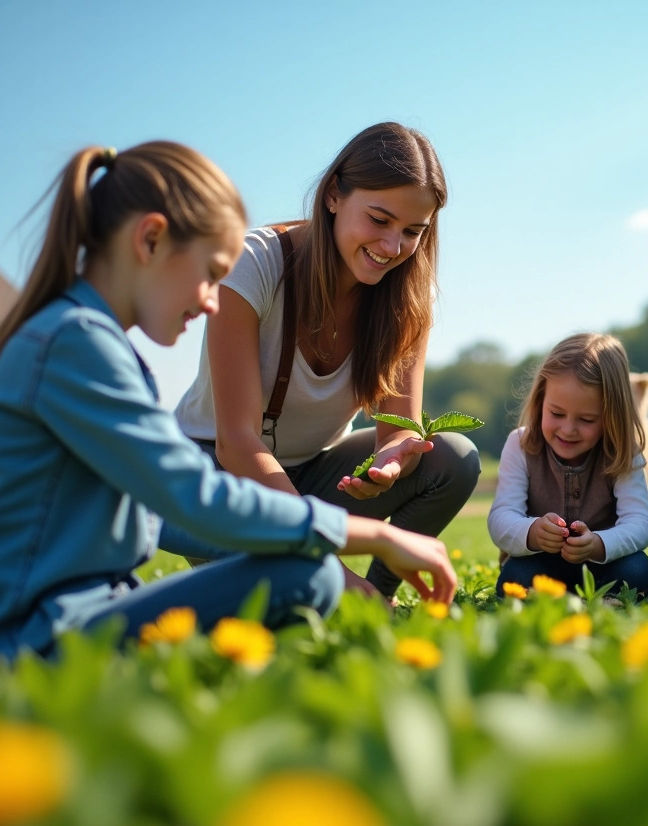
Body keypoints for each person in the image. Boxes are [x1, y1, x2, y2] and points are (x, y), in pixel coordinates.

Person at [0, 142, 456, 662]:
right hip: (10, 641)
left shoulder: (89, 341)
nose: (210, 301)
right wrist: (367, 538)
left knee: (302, 570)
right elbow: (192, 494)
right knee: (308, 573)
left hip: (67, 615)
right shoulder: (73, 344)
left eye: (412, 231)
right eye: (210, 274)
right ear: (150, 240)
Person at [174, 123, 479, 599]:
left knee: (452, 458)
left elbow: (399, 426)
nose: (392, 247)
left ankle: (381, 595)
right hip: (220, 477)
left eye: (413, 232)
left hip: (314, 473)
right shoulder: (252, 264)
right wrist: (334, 570)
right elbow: (237, 443)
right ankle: (323, 583)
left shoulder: (407, 301)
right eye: (379, 220)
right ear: (334, 194)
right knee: (298, 588)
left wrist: (390, 461)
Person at [489, 333, 648, 597]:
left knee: (638, 570)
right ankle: (564, 601)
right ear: (540, 400)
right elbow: (501, 518)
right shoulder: (520, 444)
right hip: (539, 564)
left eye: (587, 419)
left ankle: (596, 601)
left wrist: (597, 544)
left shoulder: (623, 451)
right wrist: (532, 532)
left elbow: (641, 522)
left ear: (611, 417)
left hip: (603, 565)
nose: (568, 429)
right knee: (516, 575)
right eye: (556, 413)